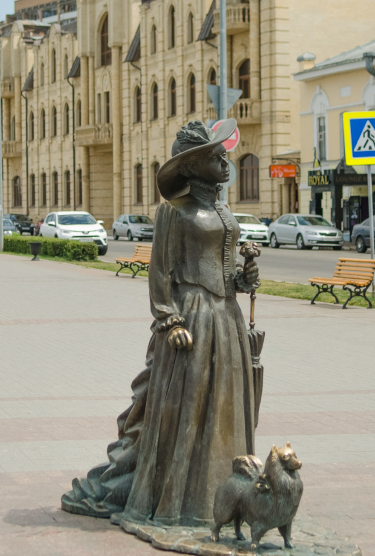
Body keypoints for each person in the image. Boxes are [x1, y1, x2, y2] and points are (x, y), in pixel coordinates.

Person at [61, 120, 260, 528]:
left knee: (222, 406)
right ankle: (179, 501)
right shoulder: (173, 211)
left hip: (227, 317)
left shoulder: (222, 211)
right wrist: (170, 322)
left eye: (224, 155)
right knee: (184, 411)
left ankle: (221, 499)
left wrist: (246, 274)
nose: (225, 162)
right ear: (189, 167)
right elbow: (161, 273)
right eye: (214, 156)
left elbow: (229, 274)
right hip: (192, 318)